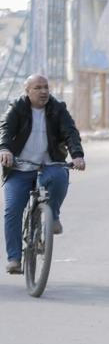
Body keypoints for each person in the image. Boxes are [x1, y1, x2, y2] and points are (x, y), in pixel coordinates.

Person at [0, 75, 85, 274]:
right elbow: (5, 129)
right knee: (12, 210)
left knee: (61, 176)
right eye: (38, 87)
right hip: (20, 167)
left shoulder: (58, 108)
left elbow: (70, 132)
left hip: (49, 164)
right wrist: (4, 149)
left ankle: (53, 215)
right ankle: (14, 258)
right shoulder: (17, 108)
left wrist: (77, 155)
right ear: (27, 91)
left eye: (46, 87)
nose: (43, 91)